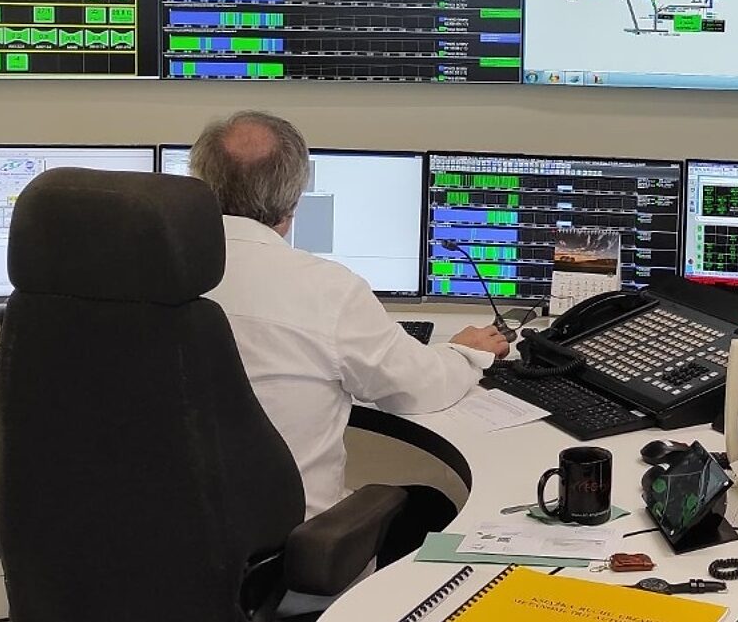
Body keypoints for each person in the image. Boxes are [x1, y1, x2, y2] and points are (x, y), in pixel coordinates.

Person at [192, 110, 511, 545]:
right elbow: (417, 388)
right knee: (431, 506)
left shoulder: (130, 280)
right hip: (288, 553)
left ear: (198, 183)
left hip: (149, 546)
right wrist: (465, 352)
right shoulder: (326, 289)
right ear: (293, 201)